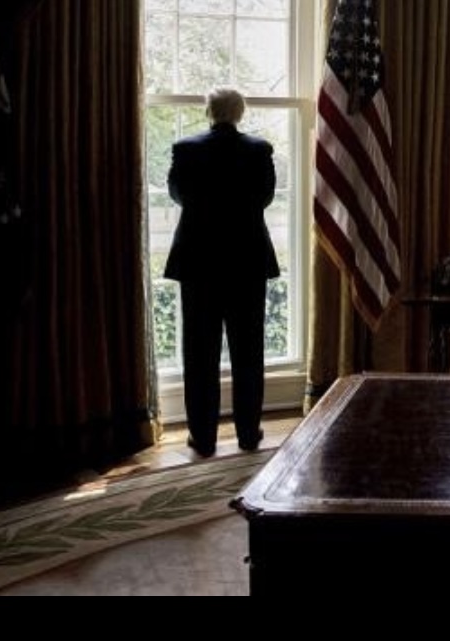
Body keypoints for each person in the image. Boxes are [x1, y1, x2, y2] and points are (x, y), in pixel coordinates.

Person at [164, 88, 278, 457]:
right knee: (248, 352)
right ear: (240, 113)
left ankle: (203, 437)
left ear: (209, 112)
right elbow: (265, 198)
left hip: (199, 262)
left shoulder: (185, 149)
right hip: (247, 261)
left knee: (199, 353)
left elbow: (178, 195)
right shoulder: (260, 150)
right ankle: (248, 433)